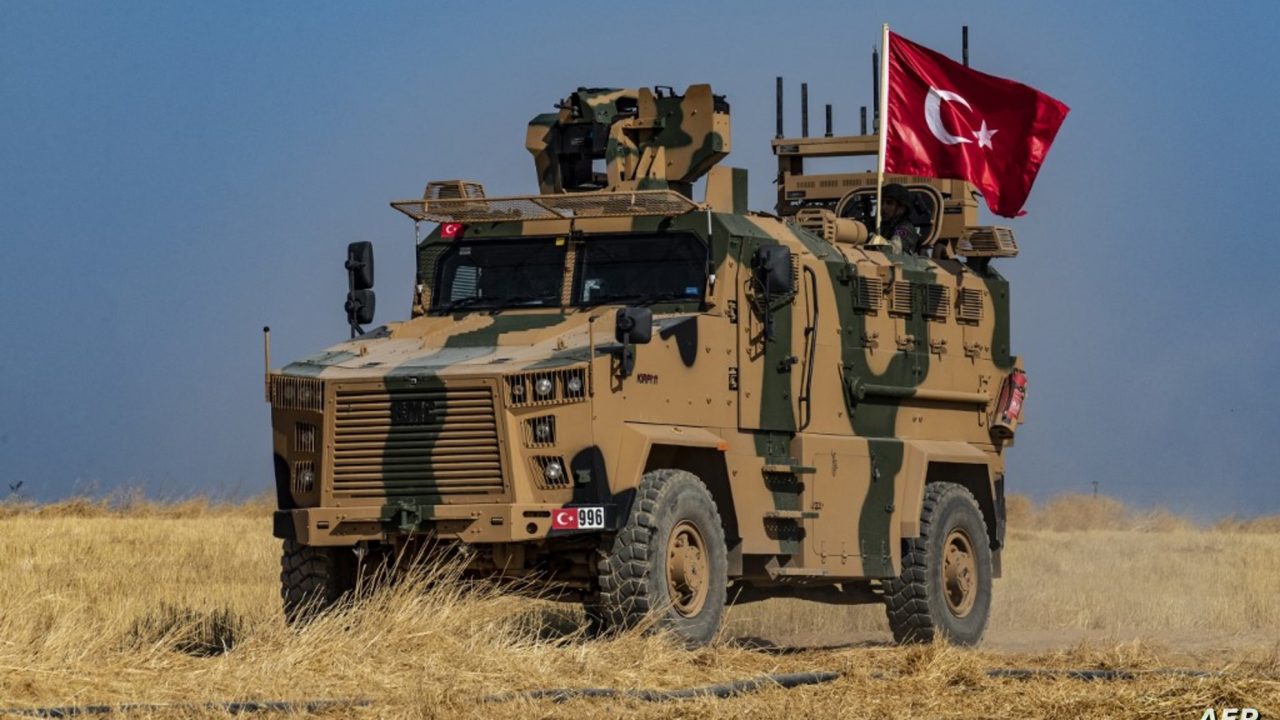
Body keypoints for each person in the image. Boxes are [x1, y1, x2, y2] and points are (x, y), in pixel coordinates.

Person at [878, 183, 921, 254]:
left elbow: (894, 248)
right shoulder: (881, 225)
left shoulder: (905, 228)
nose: (883, 207)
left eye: (889, 203)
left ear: (902, 208)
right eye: (881, 202)